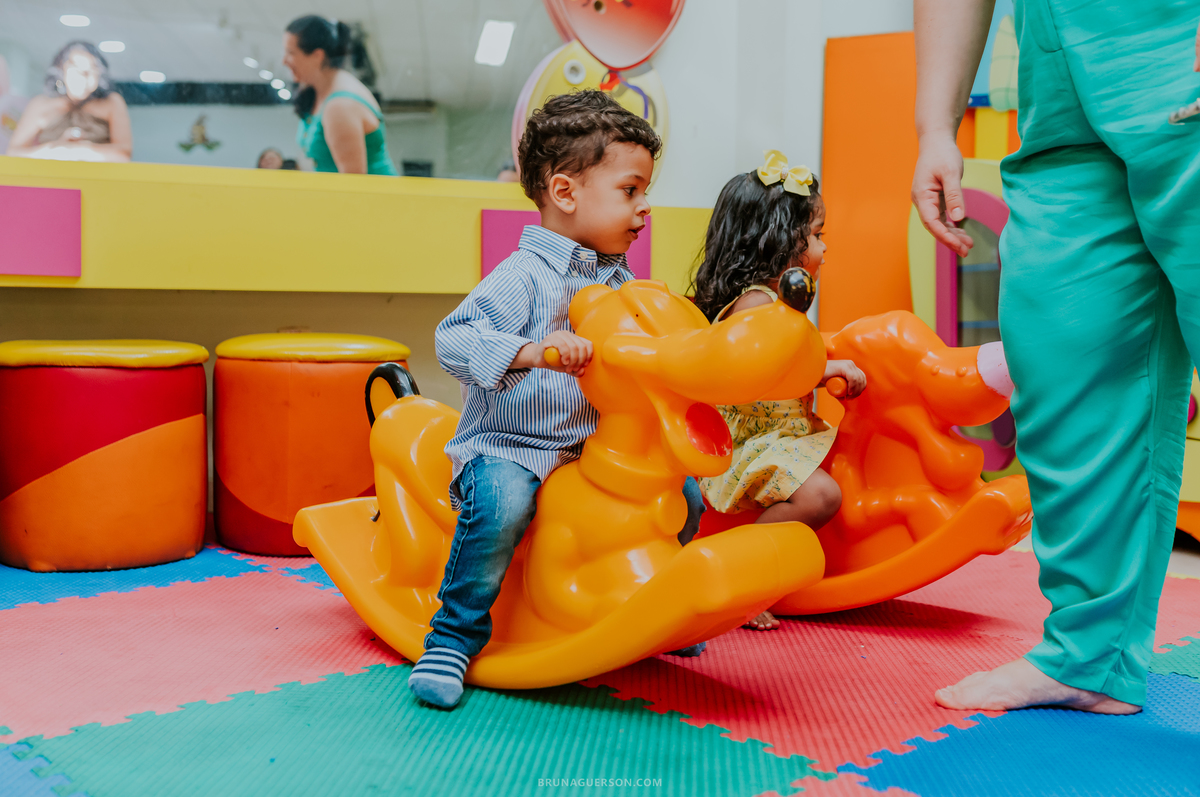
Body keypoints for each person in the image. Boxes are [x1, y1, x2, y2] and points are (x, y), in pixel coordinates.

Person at [912, 1, 1200, 714]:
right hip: (1057, 78)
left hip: (1174, 43)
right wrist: (935, 125)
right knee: (1065, 350)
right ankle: (1088, 653)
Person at [410, 90, 704, 709]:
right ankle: (453, 636)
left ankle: (658, 605)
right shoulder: (522, 276)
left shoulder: (621, 282)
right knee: (502, 508)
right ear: (566, 193)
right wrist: (536, 351)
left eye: (645, 191)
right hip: (511, 446)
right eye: (631, 191)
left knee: (685, 495)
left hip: (591, 447)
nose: (645, 207)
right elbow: (453, 339)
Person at [690, 152, 866, 631]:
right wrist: (828, 367)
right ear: (781, 241)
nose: (824, 248)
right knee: (821, 497)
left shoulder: (778, 302)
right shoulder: (753, 304)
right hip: (750, 440)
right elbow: (766, 372)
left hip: (783, 431)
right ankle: (745, 573)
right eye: (817, 235)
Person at [283, 16, 398, 175]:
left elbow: (353, 184)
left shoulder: (340, 107)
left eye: (291, 53)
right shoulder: (319, 90)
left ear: (317, 56)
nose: (284, 61)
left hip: (371, 198)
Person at [7, 41, 131, 162]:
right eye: (76, 68)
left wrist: (82, 151)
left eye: (92, 70)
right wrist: (54, 151)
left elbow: (123, 154)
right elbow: (13, 153)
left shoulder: (111, 102)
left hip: (98, 179)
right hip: (48, 178)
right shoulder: (41, 104)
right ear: (61, 70)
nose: (84, 76)